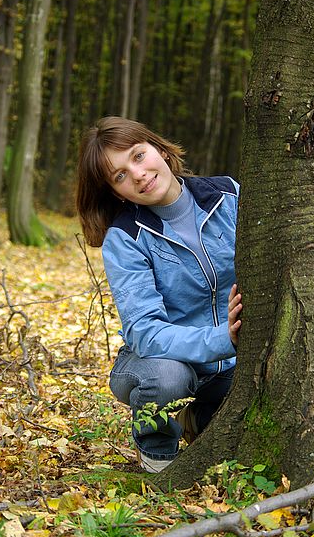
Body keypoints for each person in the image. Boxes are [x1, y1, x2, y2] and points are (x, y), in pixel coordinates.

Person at [76, 116, 242, 473]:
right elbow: (146, 332)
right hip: (154, 364)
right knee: (169, 378)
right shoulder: (125, 238)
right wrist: (222, 337)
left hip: (229, 366)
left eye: (138, 156)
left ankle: (193, 416)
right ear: (116, 192)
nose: (137, 174)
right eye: (119, 176)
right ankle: (159, 459)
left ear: (160, 149)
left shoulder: (229, 196)